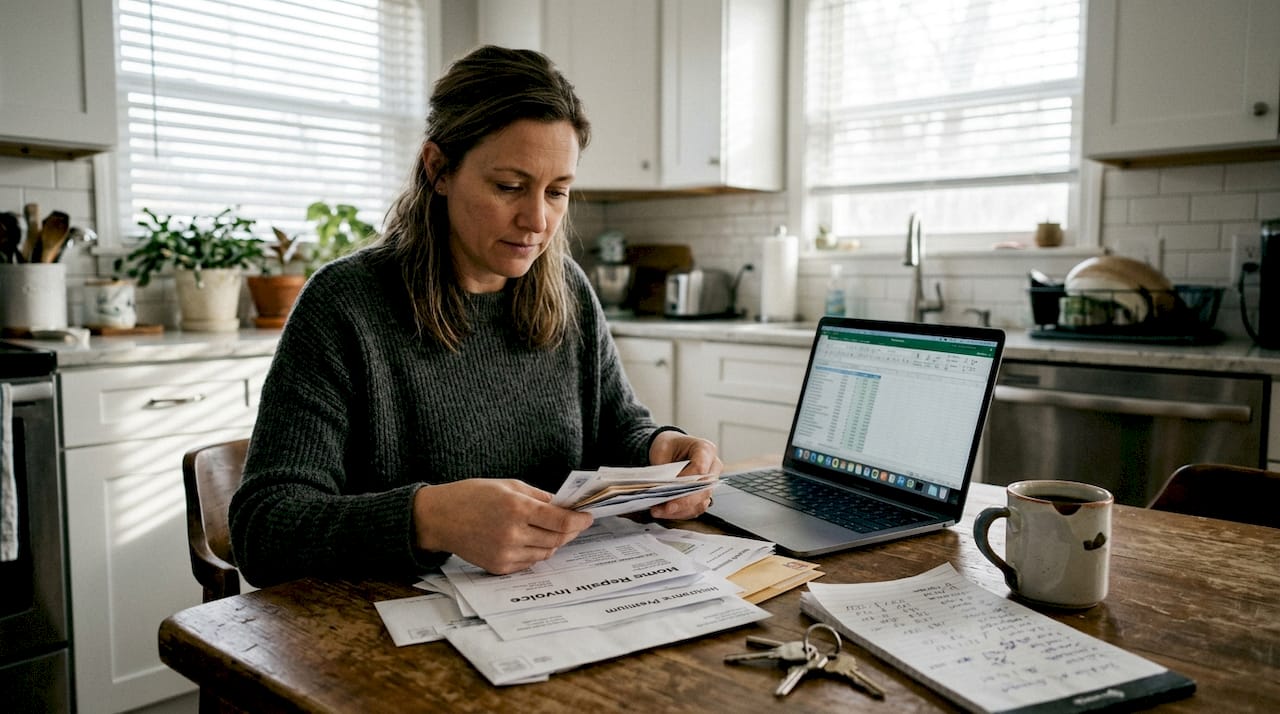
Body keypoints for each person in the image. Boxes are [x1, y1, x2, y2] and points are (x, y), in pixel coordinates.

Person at [229, 45, 722, 587]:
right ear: (438, 169)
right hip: (393, 635)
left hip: (559, 606)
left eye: (557, 191)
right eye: (509, 186)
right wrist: (431, 519)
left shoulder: (568, 290)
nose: (537, 219)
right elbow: (264, 530)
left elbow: (617, 427)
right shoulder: (345, 305)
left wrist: (660, 451)